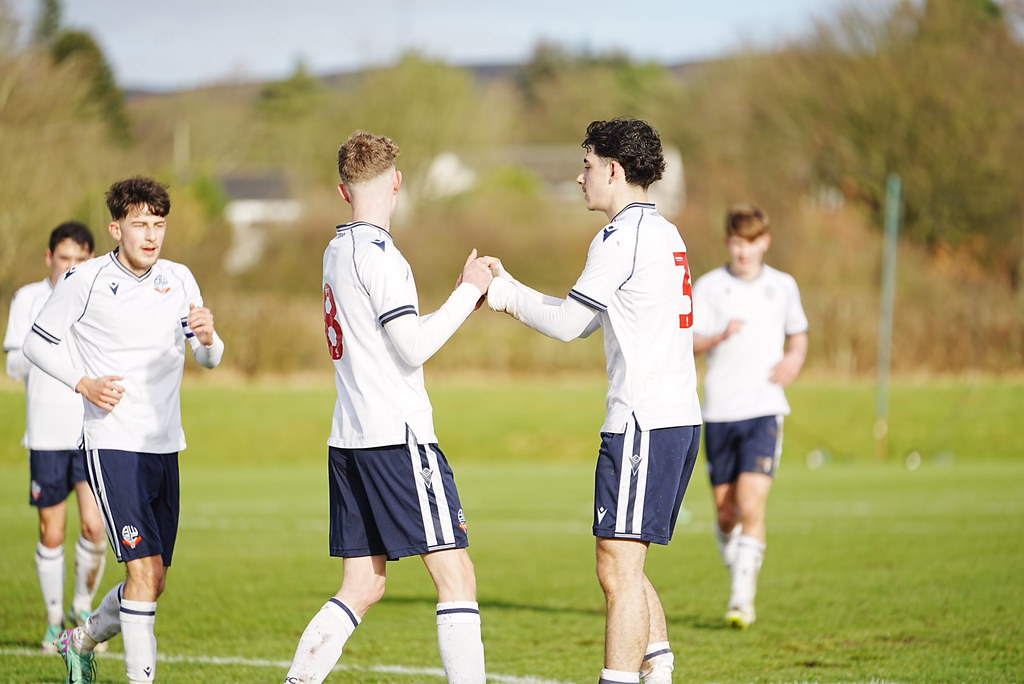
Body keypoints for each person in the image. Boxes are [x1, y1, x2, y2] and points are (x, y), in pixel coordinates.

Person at [485, 118, 701, 684]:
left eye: (585, 166)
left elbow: (566, 324)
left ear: (613, 169)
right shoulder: (665, 232)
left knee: (616, 568)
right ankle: (658, 672)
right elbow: (586, 325)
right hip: (674, 419)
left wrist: (501, 293)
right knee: (626, 564)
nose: (579, 178)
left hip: (642, 422)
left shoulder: (619, 236)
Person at [282, 131, 491, 684]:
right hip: (397, 440)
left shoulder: (334, 250)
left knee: (363, 586)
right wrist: (469, 291)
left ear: (342, 190)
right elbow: (412, 346)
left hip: (348, 439)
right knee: (457, 576)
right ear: (397, 182)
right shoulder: (382, 258)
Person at [23, 176, 225, 683]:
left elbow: (210, 358)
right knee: (140, 572)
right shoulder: (84, 281)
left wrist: (208, 336)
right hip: (113, 445)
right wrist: (82, 383)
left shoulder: (179, 278)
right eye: (140, 225)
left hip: (165, 445)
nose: (151, 235)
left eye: (159, 224)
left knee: (153, 580)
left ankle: (82, 639)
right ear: (116, 228)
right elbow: (36, 343)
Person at [691, 203, 808, 629]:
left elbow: (798, 335)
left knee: (750, 502)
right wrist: (719, 336)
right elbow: (689, 342)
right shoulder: (708, 287)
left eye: (752, 243)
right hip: (720, 411)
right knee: (726, 513)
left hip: (764, 410)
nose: (744, 252)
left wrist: (794, 360)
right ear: (728, 242)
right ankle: (739, 566)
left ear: (765, 243)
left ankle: (742, 600)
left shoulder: (783, 286)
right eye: (738, 243)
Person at [4, 221, 108, 652]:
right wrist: (44, 348)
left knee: (95, 526)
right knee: (52, 532)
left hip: (92, 429)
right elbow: (14, 362)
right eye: (65, 259)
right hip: (47, 433)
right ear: (49, 258)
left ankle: (82, 610)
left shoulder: (101, 297)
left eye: (81, 261)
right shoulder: (28, 299)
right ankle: (52, 622)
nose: (71, 268)